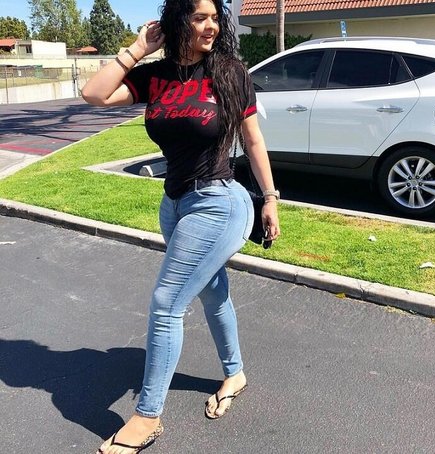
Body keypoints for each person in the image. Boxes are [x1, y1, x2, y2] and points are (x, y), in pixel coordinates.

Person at [82, 1, 280, 452]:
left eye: (215, 18)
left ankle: (147, 417)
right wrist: (137, 49)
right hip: (173, 205)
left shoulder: (229, 72)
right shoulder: (157, 76)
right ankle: (235, 373)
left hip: (218, 202)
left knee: (166, 302)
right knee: (213, 291)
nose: (211, 26)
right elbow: (94, 95)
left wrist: (270, 198)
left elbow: (253, 140)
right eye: (199, 18)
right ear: (177, 22)